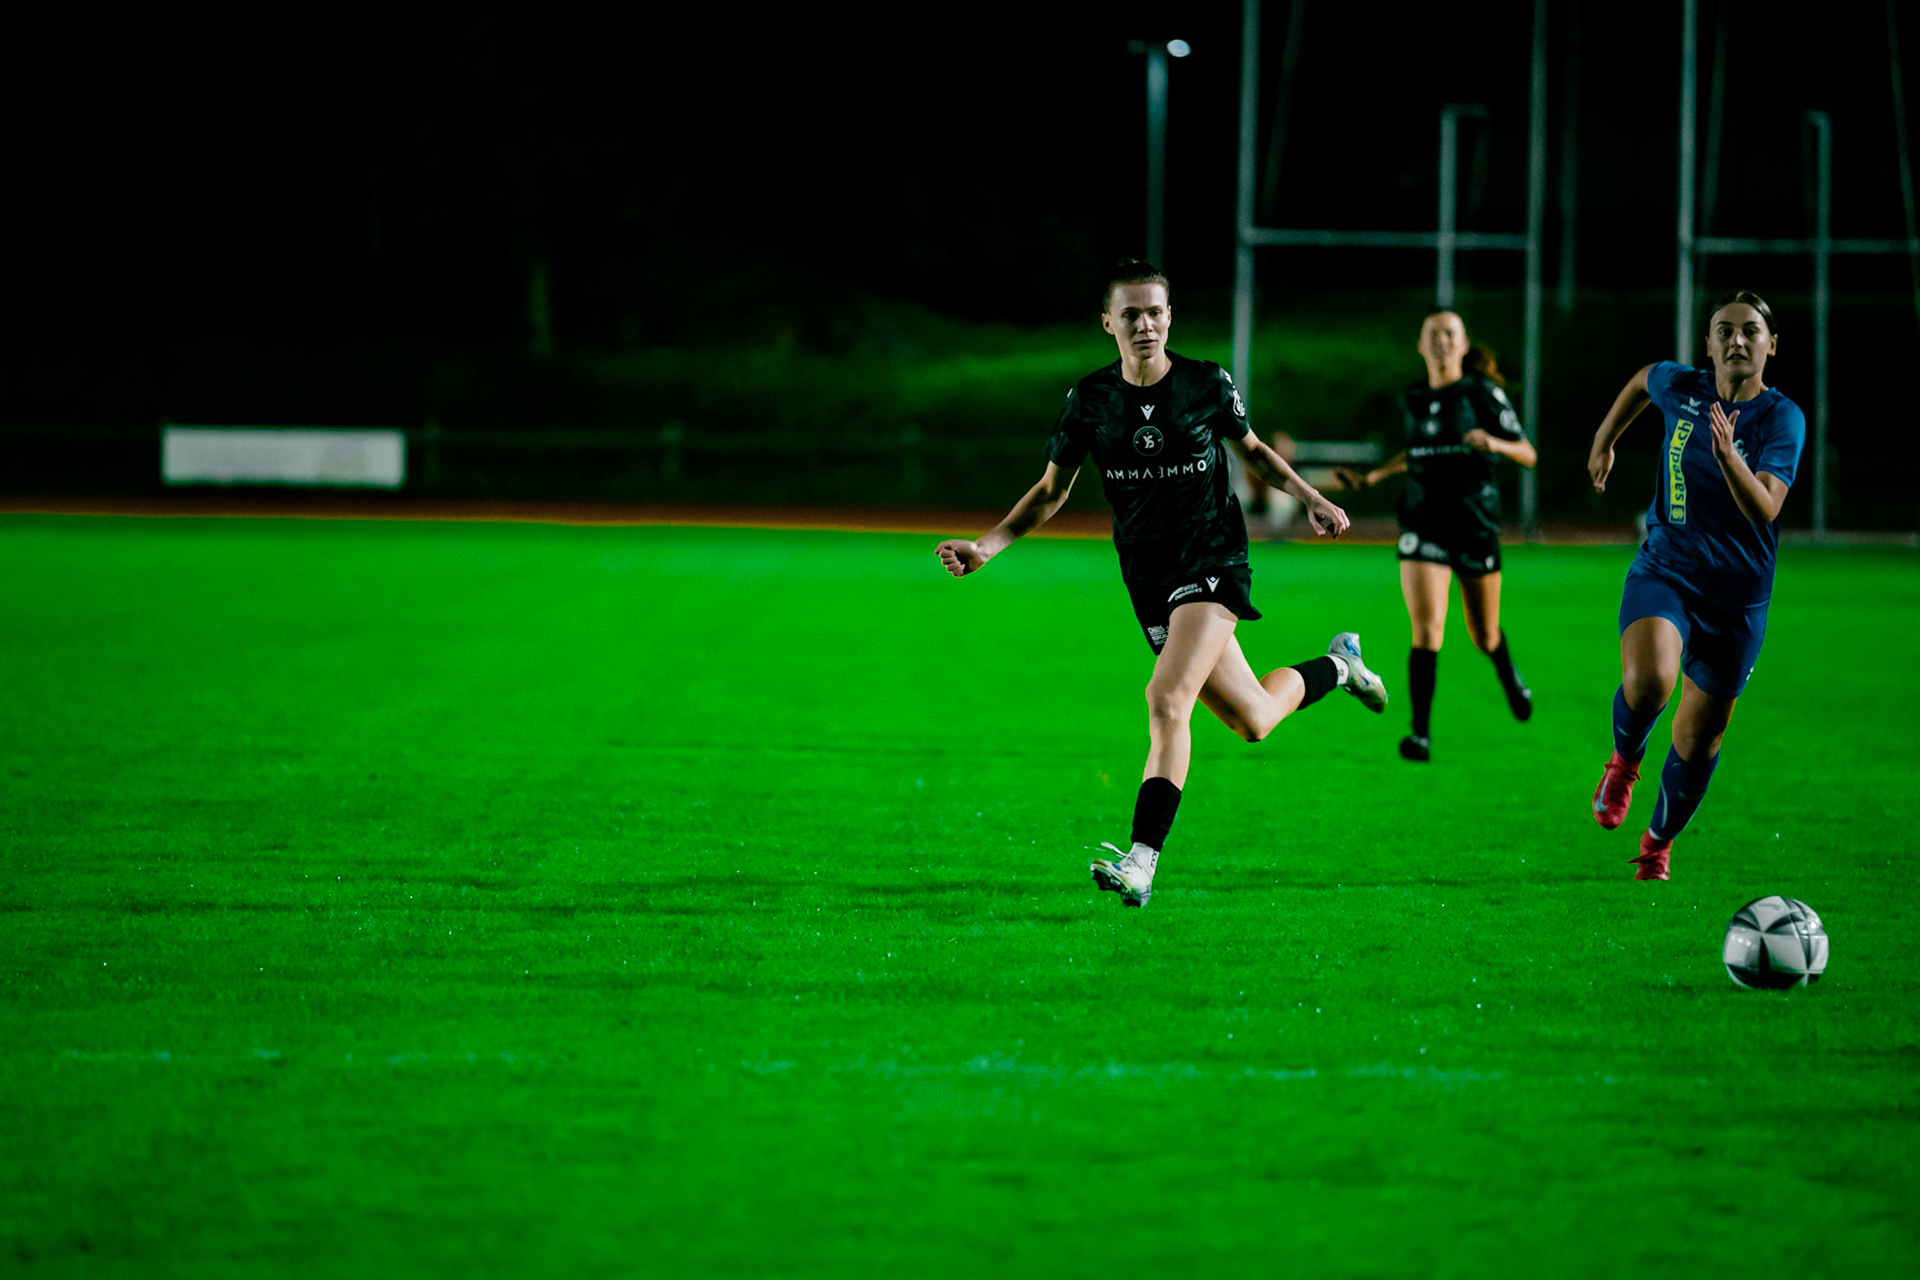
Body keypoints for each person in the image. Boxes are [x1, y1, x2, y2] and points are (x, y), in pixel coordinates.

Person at [935, 260, 1389, 910]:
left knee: (1166, 699)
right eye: (1131, 314)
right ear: (1107, 323)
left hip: (1213, 559)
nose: (1145, 323)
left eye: (1155, 311)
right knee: (1255, 718)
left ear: (1169, 317)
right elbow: (1050, 491)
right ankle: (1341, 668)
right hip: (1148, 577)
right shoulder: (1091, 400)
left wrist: (1311, 497)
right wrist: (987, 546)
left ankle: (1142, 862)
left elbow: (1254, 451)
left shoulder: (1206, 383)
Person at [1586, 290, 1806, 881]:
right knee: (1650, 679)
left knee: (1699, 739)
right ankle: (1624, 763)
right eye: (1724, 330)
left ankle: (1657, 841)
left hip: (1738, 602)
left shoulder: (1782, 418)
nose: (1737, 339)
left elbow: (1764, 508)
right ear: (1707, 344)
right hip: (1666, 569)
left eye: (1751, 331)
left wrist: (1729, 457)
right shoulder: (1681, 387)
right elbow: (1640, 381)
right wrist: (1606, 439)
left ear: (1771, 345)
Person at [1333, 311, 1537, 762]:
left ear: (1464, 345)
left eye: (1450, 334)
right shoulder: (1413, 398)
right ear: (1421, 346)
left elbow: (1527, 453)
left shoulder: (1483, 394)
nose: (1442, 342)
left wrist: (1494, 442)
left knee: (1483, 634)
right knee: (1428, 629)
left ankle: (1509, 677)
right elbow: (1418, 453)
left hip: (1474, 520)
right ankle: (1419, 734)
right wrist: (1371, 479)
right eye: (1434, 335)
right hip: (1423, 521)